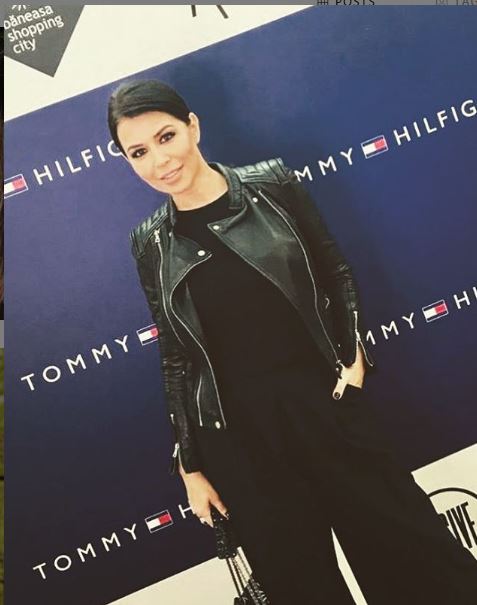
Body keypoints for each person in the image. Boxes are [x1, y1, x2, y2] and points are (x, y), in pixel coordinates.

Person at [108, 79, 477, 604]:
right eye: (138, 152)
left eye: (166, 137)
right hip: (238, 440)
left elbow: (335, 270)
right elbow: (176, 355)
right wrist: (191, 465)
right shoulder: (149, 242)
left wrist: (352, 361)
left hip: (326, 404)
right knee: (300, 588)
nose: (159, 161)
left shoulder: (272, 184)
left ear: (193, 127)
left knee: (415, 557)